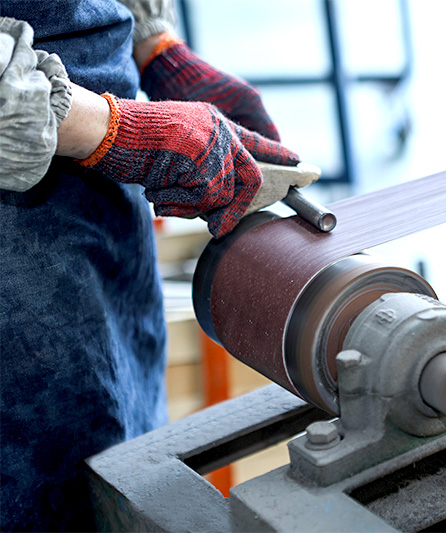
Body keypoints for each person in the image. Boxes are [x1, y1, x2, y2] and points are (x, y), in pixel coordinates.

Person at [0, 1, 312, 530]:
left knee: (123, 438)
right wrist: (123, 132)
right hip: (18, 236)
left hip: (104, 181)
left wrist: (154, 44)